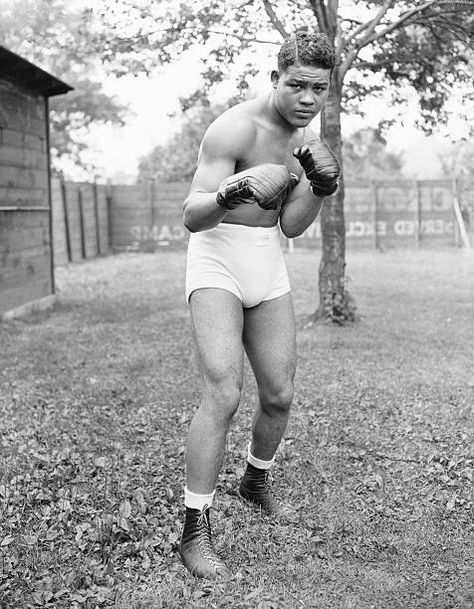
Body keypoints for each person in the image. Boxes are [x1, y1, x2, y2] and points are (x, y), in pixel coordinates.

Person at [178, 31, 340, 580]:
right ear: (276, 79)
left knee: (279, 393)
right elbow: (191, 215)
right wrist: (232, 191)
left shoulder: (306, 142)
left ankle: (255, 480)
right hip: (218, 260)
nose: (307, 98)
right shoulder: (235, 128)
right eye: (296, 85)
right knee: (223, 391)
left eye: (319, 88)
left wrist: (317, 186)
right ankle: (194, 528)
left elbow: (291, 225)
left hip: (266, 264)